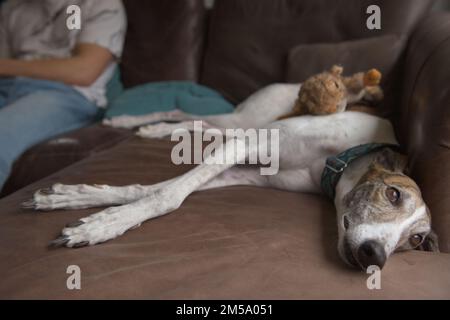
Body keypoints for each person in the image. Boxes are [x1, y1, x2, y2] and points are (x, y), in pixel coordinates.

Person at [0, 0, 127, 190]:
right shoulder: (12, 7)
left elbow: (83, 72)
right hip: (8, 86)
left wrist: (5, 66)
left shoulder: (101, 4)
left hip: (67, 94)